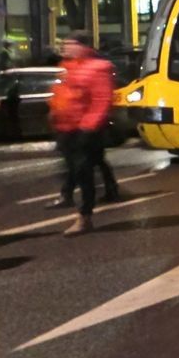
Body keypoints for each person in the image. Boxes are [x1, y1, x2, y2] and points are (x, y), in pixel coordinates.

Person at [51, 32, 114, 236]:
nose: (66, 47)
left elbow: (102, 99)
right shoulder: (67, 67)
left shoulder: (98, 69)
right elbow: (61, 95)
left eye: (71, 44)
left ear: (83, 46)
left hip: (84, 130)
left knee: (83, 172)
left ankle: (84, 215)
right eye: (65, 43)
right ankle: (80, 199)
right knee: (74, 170)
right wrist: (54, 112)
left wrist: (89, 126)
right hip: (65, 128)